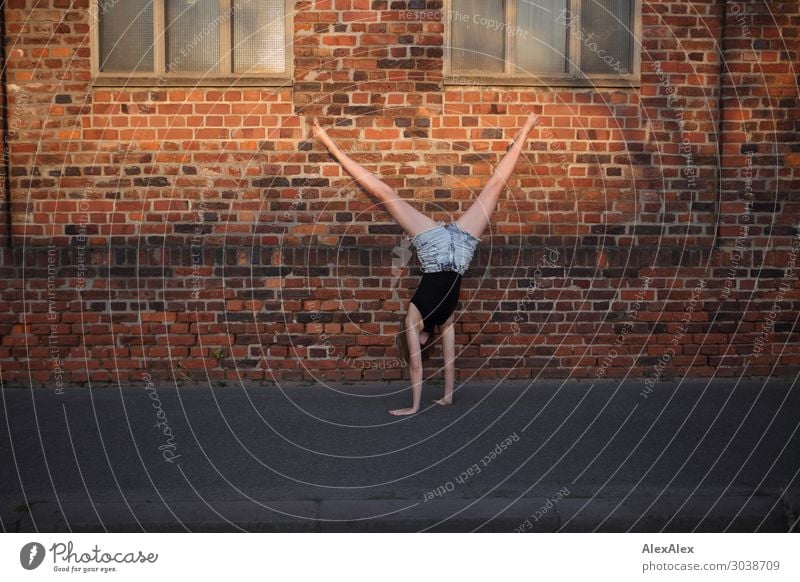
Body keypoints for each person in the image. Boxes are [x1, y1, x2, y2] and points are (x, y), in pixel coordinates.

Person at [312, 112, 540, 415]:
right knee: (494, 187)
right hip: (460, 251)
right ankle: (526, 128)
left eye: (414, 344)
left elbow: (417, 367)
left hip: (434, 248)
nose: (417, 344)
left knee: (385, 194)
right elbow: (449, 361)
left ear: (411, 342)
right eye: (419, 344)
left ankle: (329, 142)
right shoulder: (444, 322)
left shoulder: (413, 318)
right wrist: (445, 396)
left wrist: (414, 407)